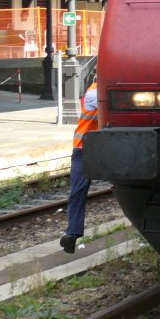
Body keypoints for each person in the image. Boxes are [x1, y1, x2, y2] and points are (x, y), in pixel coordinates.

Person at [60, 80, 98, 254]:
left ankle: (72, 233)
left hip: (93, 147)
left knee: (77, 191)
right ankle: (72, 234)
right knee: (77, 192)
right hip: (84, 148)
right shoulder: (94, 92)